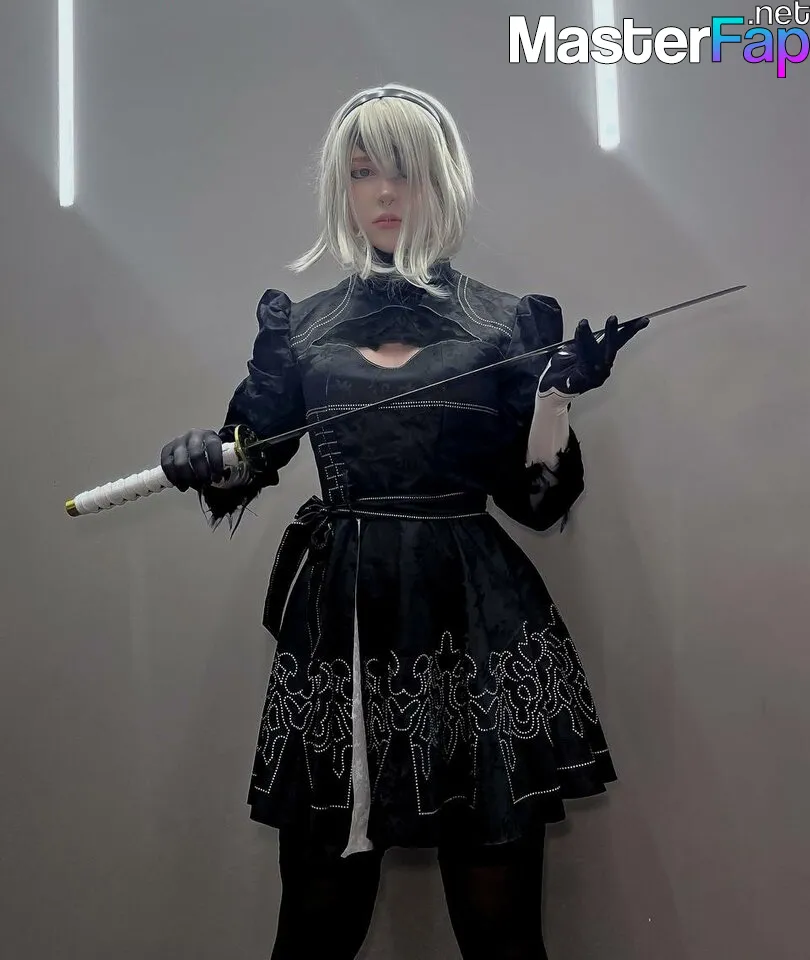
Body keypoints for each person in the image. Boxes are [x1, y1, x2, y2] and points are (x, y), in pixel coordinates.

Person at [160, 84, 648, 960]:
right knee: (314, 928)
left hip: (477, 631)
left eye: (405, 172)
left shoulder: (505, 322)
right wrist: (204, 454)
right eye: (362, 173)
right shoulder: (301, 328)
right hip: (341, 631)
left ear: (440, 182)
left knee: (503, 935)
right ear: (340, 189)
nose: (384, 193)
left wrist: (554, 401)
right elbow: (250, 456)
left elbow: (537, 501)